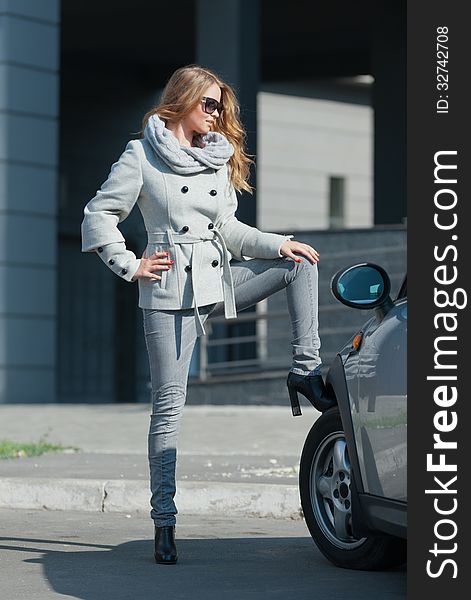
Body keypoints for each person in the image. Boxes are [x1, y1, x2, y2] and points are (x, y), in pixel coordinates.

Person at [81, 64, 330, 565]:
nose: (218, 114)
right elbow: (98, 213)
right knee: (169, 408)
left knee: (298, 264)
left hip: (218, 280)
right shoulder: (142, 155)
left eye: (221, 106)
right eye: (210, 104)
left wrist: (279, 243)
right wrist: (131, 265)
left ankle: (304, 371)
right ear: (185, 99)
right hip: (170, 291)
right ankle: (164, 522)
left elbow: (232, 232)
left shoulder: (216, 161)